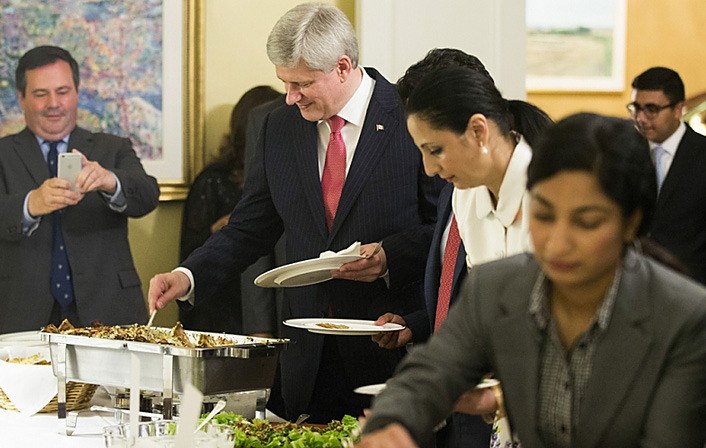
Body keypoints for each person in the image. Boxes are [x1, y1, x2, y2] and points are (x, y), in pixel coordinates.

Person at [148, 2, 442, 423]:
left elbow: (447, 229)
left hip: (391, 346)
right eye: (284, 82)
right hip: (305, 353)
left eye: (302, 83)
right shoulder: (277, 126)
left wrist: (390, 256)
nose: (290, 96)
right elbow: (251, 224)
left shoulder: (411, 117)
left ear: (343, 67)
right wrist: (187, 275)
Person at [356, 113, 706, 448]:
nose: (557, 243)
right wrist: (392, 424)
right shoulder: (497, 287)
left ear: (632, 223)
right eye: (543, 214)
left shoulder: (683, 318)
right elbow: (427, 375)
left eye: (586, 222)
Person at [374, 64, 552, 446]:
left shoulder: (553, 190)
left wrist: (500, 394)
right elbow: (476, 319)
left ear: (478, 131)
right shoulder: (466, 196)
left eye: (435, 150)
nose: (428, 167)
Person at [0, 45, 160, 334]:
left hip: (110, 311)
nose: (54, 103)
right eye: (40, 94)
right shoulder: (3, 154)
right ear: (21, 98)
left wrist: (109, 180)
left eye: (62, 92)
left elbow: (148, 196)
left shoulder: (112, 147)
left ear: (76, 93)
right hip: (21, 315)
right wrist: (29, 204)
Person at [179, 85, 282, 335]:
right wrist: (219, 229)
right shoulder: (213, 180)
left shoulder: (282, 173)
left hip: (276, 297)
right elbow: (190, 246)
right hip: (225, 304)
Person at [628, 66, 706, 285]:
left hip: (691, 287)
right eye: (636, 108)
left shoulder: (701, 153)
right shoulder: (626, 154)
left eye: (651, 109)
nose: (641, 118)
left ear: (678, 109)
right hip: (635, 282)